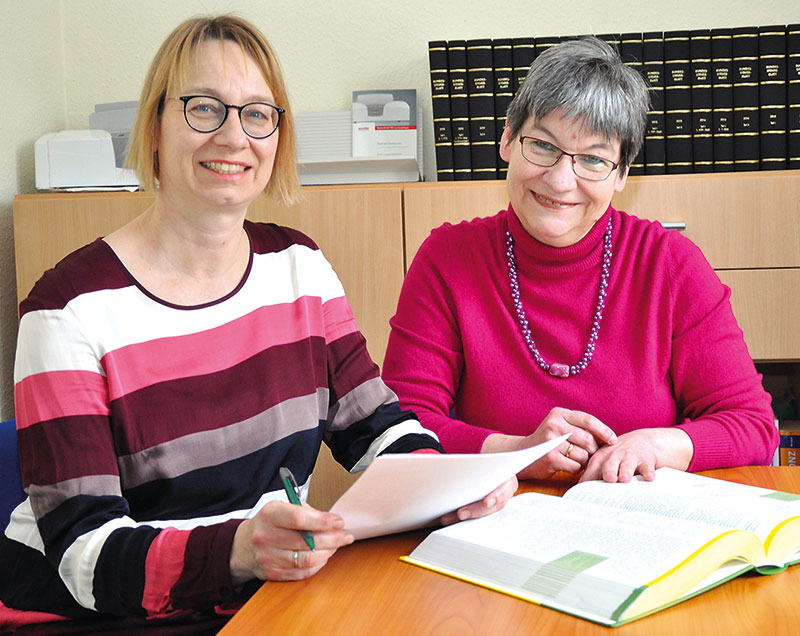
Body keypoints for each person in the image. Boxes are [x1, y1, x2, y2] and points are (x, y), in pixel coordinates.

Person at [0, 15, 514, 634]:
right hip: (96, 616)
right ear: (156, 126)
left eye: (256, 114)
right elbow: (84, 555)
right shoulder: (67, 307)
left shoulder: (298, 266)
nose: (233, 137)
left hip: (256, 596)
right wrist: (240, 549)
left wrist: (444, 486)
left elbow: (373, 426)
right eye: (203, 108)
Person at [383, 37, 778, 486]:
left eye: (592, 159)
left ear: (623, 174)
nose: (560, 179)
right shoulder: (448, 259)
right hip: (496, 519)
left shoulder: (670, 263)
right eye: (544, 146)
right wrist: (516, 452)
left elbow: (753, 424)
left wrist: (655, 445)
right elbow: (402, 427)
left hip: (637, 520)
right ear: (508, 139)